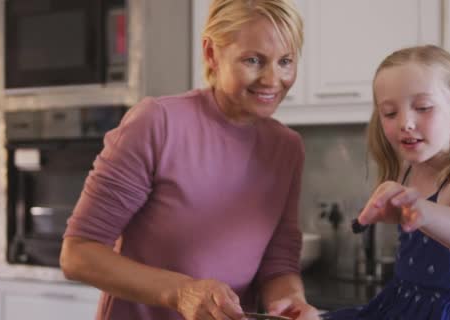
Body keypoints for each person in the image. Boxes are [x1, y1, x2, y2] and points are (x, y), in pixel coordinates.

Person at [60, 1, 320, 319]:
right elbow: (78, 255)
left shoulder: (287, 148)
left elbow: (278, 260)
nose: (272, 79)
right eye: (253, 60)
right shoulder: (157, 123)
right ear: (212, 53)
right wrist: (181, 292)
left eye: (285, 62)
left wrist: (290, 302)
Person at [323, 45, 450, 320]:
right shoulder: (408, 172)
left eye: (423, 108)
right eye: (389, 113)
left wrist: (423, 211)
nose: (406, 123)